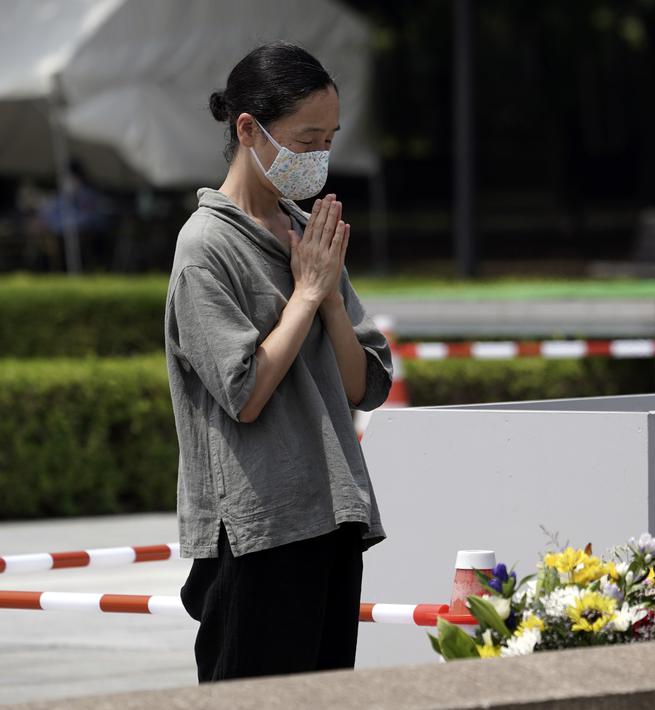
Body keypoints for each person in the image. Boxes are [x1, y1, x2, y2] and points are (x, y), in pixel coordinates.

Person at [165, 42, 393, 683]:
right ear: (249, 129)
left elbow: (364, 384)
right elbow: (245, 393)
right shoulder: (205, 246)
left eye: (329, 138)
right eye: (306, 138)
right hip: (259, 529)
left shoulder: (307, 231)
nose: (318, 156)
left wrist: (326, 301)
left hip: (332, 514)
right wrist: (310, 295)